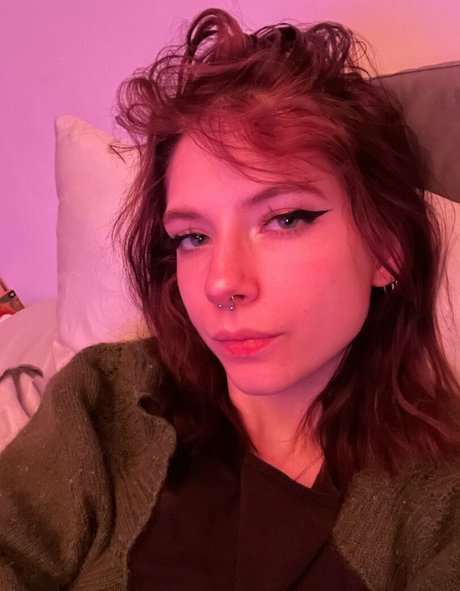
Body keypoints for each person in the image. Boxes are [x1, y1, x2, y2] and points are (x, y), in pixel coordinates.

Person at [0, 8, 459, 590]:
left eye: (285, 219)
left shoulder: (441, 500)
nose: (220, 283)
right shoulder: (102, 401)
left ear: (385, 249)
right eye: (192, 237)